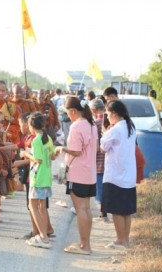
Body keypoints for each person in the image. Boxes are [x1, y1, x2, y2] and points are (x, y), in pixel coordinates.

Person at [55, 96, 98, 255]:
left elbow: (76, 151)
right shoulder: (91, 124)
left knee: (81, 209)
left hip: (78, 172)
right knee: (86, 208)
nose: (68, 117)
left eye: (68, 113)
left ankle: (84, 246)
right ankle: (85, 243)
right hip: (89, 173)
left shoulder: (76, 126)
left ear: (73, 111)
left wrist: (61, 149)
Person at [101, 100, 137, 249]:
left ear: (115, 114)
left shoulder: (115, 130)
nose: (108, 118)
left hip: (115, 175)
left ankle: (120, 240)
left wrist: (105, 132)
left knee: (116, 210)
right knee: (126, 211)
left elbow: (103, 147)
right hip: (128, 175)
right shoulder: (130, 126)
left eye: (108, 115)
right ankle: (125, 239)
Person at [21, 112, 55, 249]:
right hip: (46, 176)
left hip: (37, 177)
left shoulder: (36, 140)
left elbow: (37, 159)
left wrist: (25, 154)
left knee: (32, 206)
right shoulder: (48, 139)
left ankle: (43, 237)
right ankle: (44, 234)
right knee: (42, 207)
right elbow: (52, 156)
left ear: (31, 125)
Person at [89, 98, 108, 222]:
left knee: (100, 186)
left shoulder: (96, 123)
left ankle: (103, 214)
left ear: (93, 110)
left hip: (99, 160)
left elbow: (94, 145)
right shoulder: (109, 121)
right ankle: (104, 213)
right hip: (109, 159)